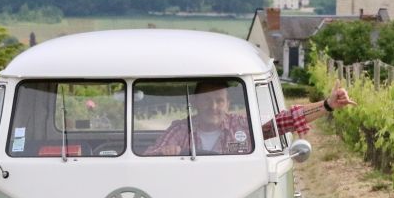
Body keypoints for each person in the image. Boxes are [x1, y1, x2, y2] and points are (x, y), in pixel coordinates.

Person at [144, 80, 356, 156]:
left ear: (227, 104)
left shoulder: (243, 125)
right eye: (206, 100)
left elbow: (284, 122)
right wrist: (165, 152)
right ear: (196, 103)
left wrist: (327, 104)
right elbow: (150, 154)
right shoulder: (181, 129)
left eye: (219, 100)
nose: (213, 106)